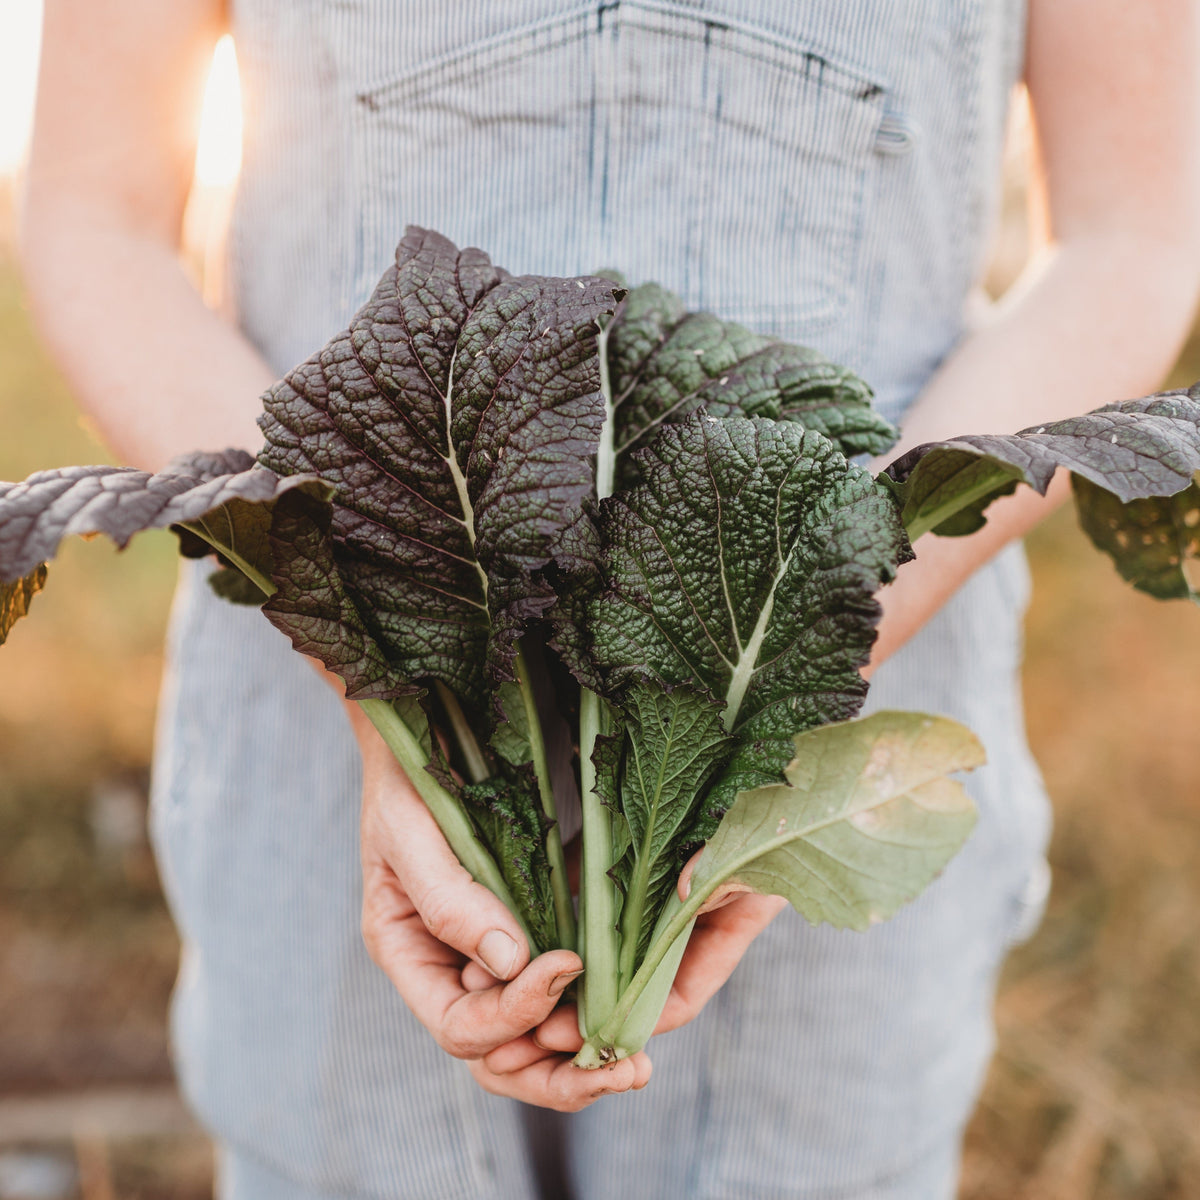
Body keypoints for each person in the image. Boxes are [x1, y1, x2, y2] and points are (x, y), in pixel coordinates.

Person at [20, 1, 1199, 1197]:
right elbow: (93, 216)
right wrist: (380, 674)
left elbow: (1132, 236)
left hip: (833, 718)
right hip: (333, 763)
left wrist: (792, 647)